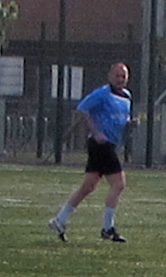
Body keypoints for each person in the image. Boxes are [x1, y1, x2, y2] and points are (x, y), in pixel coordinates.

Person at [48, 61, 135, 243]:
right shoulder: (102, 93)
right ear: (110, 76)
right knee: (118, 184)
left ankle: (59, 220)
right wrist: (95, 132)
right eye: (117, 75)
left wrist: (130, 124)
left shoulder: (127, 96)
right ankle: (107, 228)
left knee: (88, 186)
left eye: (123, 76)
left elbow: (121, 119)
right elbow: (82, 110)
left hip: (110, 144)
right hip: (100, 145)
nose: (120, 79)